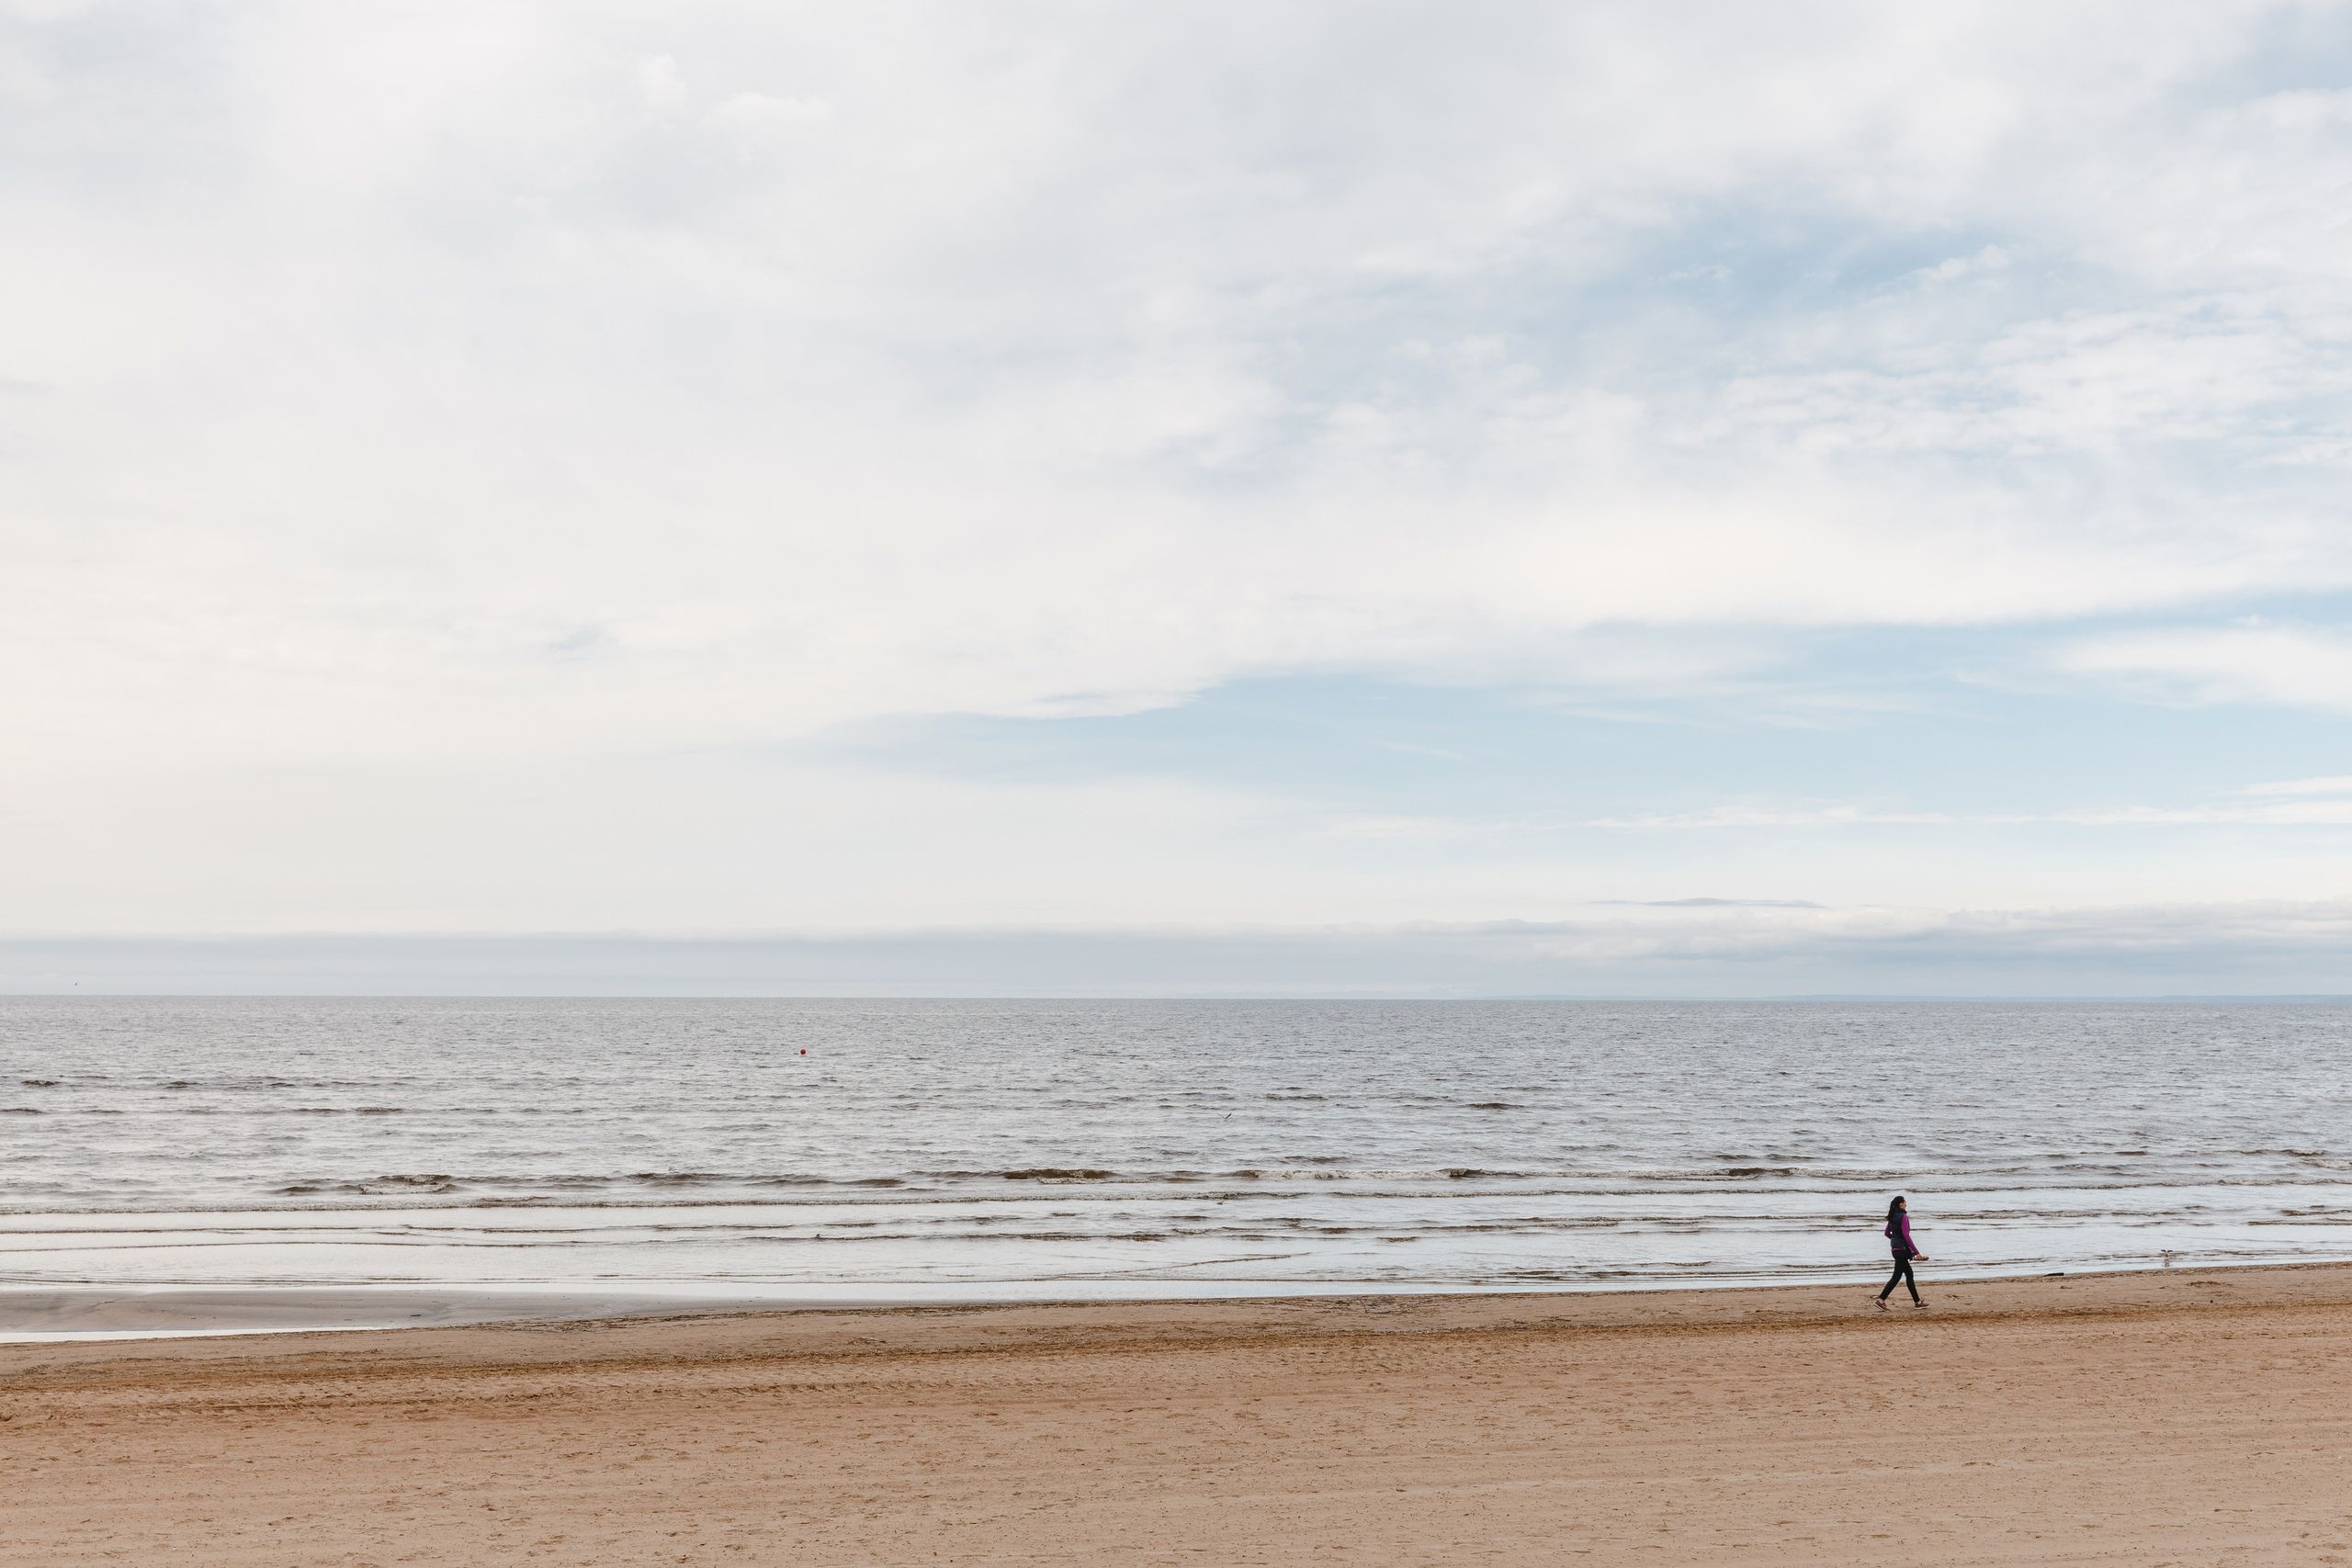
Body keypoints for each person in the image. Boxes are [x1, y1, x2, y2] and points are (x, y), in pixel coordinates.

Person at [1875, 1195, 1928, 1309]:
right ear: (1900, 1204)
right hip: (1902, 1251)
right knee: (1896, 1277)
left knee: (1909, 1275)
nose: (1906, 1204)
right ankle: (1880, 1300)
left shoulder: (1892, 1217)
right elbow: (1906, 1235)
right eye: (1905, 1202)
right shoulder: (1903, 1217)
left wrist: (1895, 1240)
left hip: (1895, 1250)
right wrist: (1916, 1252)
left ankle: (1917, 1302)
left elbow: (1887, 1233)